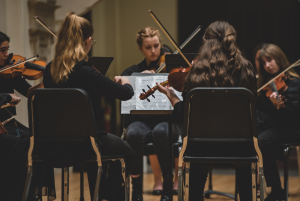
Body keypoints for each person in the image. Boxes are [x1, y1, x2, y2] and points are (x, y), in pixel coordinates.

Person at [156, 21, 257, 201]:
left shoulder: (196, 73)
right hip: (241, 145)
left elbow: (182, 116)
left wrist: (172, 97)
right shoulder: (246, 69)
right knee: (245, 168)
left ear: (206, 42)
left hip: (200, 145)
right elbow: (252, 111)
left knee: (196, 168)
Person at [42, 12, 134, 201]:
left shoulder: (49, 70)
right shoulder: (85, 70)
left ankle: (99, 195)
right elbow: (125, 94)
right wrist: (126, 81)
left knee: (97, 143)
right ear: (88, 41)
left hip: (54, 145)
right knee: (127, 152)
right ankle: (106, 196)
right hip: (87, 144)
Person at [121, 27, 181, 201]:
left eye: (156, 46)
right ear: (141, 48)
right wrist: (139, 78)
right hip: (141, 122)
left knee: (161, 132)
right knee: (132, 133)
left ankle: (168, 189)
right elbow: (122, 87)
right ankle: (137, 190)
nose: (154, 51)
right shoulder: (131, 72)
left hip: (167, 121)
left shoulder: (172, 70)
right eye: (148, 47)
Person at [0, 31, 56, 200]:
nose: (7, 55)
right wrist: (8, 97)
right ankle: (20, 194)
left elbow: (29, 92)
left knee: (41, 139)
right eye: (2, 50)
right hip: (3, 126)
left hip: (8, 121)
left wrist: (46, 82)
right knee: (23, 141)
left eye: (8, 50)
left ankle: (34, 190)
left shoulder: (9, 71)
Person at [256, 44, 300, 201]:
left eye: (270, 60)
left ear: (279, 58)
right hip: (276, 127)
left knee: (263, 140)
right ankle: (256, 185)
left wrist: (278, 106)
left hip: (293, 128)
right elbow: (262, 110)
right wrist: (270, 102)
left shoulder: (295, 83)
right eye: (263, 63)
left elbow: (293, 116)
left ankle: (276, 189)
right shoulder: (266, 84)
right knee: (255, 136)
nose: (267, 65)